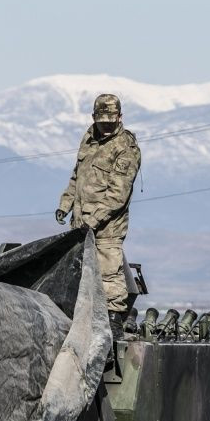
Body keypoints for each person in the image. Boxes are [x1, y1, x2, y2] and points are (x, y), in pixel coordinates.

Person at [56, 93, 142, 339]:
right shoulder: (89, 138)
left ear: (120, 117)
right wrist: (65, 203)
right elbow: (78, 175)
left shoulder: (126, 148)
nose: (105, 125)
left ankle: (114, 320)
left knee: (109, 271)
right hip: (80, 224)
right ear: (94, 117)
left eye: (110, 120)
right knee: (80, 272)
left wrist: (92, 221)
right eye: (101, 120)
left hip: (107, 228)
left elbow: (118, 195)